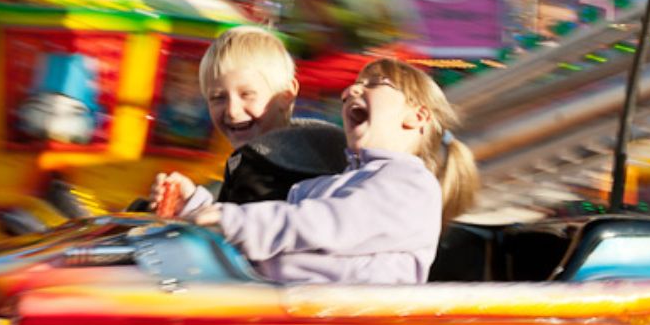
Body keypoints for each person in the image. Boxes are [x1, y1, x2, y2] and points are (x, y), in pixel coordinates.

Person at [188, 59, 479, 285]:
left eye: (376, 83)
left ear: (417, 116)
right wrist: (196, 209)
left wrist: (231, 220)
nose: (349, 91)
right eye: (355, 84)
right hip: (290, 303)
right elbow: (274, 232)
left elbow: (324, 223)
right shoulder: (335, 182)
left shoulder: (411, 185)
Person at [148, 26, 347, 214]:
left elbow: (254, 232)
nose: (232, 111)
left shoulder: (299, 166)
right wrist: (191, 201)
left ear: (285, 95)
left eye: (247, 94)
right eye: (218, 98)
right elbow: (235, 220)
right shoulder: (250, 159)